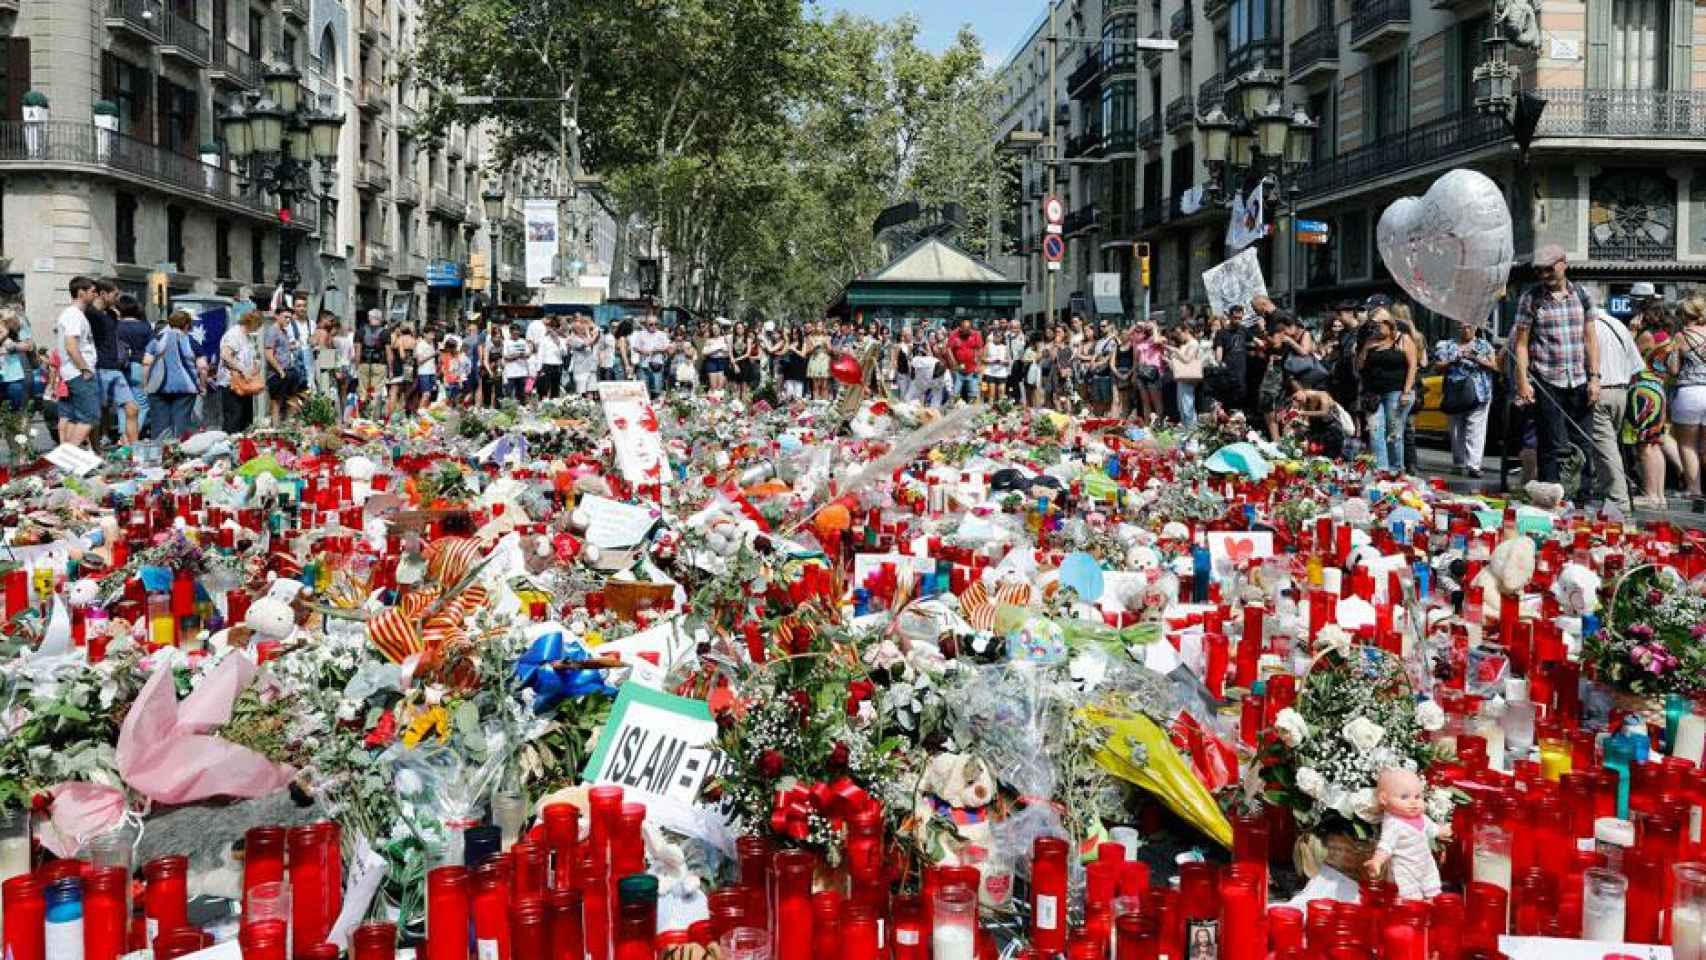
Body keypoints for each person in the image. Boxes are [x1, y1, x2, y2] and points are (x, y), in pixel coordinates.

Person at [1513, 245, 1600, 490]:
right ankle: (1552, 493)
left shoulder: (1582, 295)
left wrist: (1595, 378)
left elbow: (1590, 338)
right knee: (1551, 443)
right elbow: (1521, 344)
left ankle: (1582, 494)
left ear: (1563, 264)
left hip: (1579, 378)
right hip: (1546, 378)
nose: (1544, 275)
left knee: (1582, 442)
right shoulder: (1530, 298)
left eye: (1549, 269)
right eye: (1540, 271)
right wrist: (1523, 382)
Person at [1587, 306, 1643, 512]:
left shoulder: (1588, 326)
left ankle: (1619, 503)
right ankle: (1611, 496)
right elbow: (1637, 367)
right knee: (1611, 447)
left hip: (1599, 391)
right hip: (1621, 392)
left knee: (1605, 450)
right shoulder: (1619, 325)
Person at [1433, 318, 1500, 479]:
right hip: (1455, 392)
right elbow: (1437, 367)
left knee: (1476, 429)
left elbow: (1495, 366)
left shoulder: (1484, 346)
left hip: (1480, 392)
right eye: (1462, 327)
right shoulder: (1447, 345)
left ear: (1476, 328)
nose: (1465, 330)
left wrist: (1476, 358)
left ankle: (1474, 465)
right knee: (1456, 429)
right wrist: (1453, 360)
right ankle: (1459, 462)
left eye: (1468, 327)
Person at [1357, 308, 1418, 473]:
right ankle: (1381, 470)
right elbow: (1360, 366)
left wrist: (1406, 391)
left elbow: (1413, 365)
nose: (1375, 328)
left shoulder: (1403, 339)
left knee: (1394, 433)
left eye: (1378, 325)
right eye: (1373, 325)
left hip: (1396, 391)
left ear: (1389, 324)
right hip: (1373, 394)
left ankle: (1396, 469)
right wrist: (1366, 348)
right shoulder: (1370, 341)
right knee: (1376, 432)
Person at [88, 281, 140, 446]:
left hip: (115, 369)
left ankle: (134, 449)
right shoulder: (90, 313)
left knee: (132, 408)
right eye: (115, 294)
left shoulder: (111, 314)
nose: (118, 298)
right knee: (96, 413)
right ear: (103, 294)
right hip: (99, 368)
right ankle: (96, 450)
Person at [55, 276, 102, 447]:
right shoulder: (73, 315)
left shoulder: (75, 315)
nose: (96, 294)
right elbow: (71, 346)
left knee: (76, 419)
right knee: (90, 417)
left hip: (74, 372)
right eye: (93, 291)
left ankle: (66, 460)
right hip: (78, 373)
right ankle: (68, 457)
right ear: (81, 293)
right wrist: (85, 369)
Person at [141, 310, 202, 441]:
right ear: (187, 325)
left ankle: (159, 453)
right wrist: (202, 386)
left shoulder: (157, 339)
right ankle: (178, 452)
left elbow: (146, 363)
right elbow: (203, 366)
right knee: (181, 422)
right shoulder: (192, 341)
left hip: (157, 387)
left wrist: (145, 384)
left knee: (159, 424)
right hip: (186, 388)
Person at [1670, 296, 1706, 507]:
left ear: (1684, 315)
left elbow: (1674, 370)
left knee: (1688, 445)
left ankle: (1694, 491)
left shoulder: (1681, 336)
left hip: (1689, 393)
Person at [218, 309, 263, 435]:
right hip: (232, 384)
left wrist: (255, 365)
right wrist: (243, 370)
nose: (258, 327)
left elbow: (253, 356)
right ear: (252, 322)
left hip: (245, 385)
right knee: (234, 418)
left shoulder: (248, 337)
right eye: (258, 324)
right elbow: (226, 355)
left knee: (246, 419)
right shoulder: (234, 334)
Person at [116, 294, 153, 434]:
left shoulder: (115, 326)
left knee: (123, 403)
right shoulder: (144, 327)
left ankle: (123, 435)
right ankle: (133, 434)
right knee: (142, 404)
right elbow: (152, 350)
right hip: (139, 366)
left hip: (120, 367)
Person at [1166, 323, 1204, 426]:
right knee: (1182, 406)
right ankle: (1187, 429)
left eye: (1179, 333)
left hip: (1188, 378)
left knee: (1187, 406)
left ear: (1186, 331)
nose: (1178, 336)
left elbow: (1187, 359)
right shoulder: (1186, 344)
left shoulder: (1193, 343)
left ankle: (1192, 430)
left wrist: (1175, 350)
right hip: (1181, 378)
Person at [1130, 320, 1165, 421]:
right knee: (1145, 401)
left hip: (1153, 372)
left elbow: (1157, 341)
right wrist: (1134, 374)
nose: (1148, 327)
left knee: (1156, 400)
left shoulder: (1159, 339)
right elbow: (1136, 359)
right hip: (1141, 372)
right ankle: (1147, 423)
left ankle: (1159, 423)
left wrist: (1155, 327)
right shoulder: (1141, 341)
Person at [631, 313, 670, 398]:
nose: (654, 326)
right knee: (644, 391)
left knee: (657, 390)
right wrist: (642, 351)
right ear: (646, 324)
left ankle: (656, 408)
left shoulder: (662, 334)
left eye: (656, 324)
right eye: (651, 324)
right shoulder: (641, 334)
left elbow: (668, 347)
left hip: (657, 366)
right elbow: (635, 347)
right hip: (644, 366)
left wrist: (657, 350)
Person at [946, 318, 984, 403]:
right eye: (964, 331)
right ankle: (953, 411)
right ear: (960, 328)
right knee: (955, 392)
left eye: (968, 331)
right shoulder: (954, 334)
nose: (967, 333)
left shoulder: (976, 334)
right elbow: (948, 349)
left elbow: (980, 349)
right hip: (958, 369)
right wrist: (953, 363)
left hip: (972, 369)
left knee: (973, 393)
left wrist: (978, 364)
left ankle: (973, 412)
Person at [358, 309, 389, 413]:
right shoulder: (385, 332)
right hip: (379, 364)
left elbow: (358, 351)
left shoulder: (361, 331)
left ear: (368, 318)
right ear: (380, 319)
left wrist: (357, 366)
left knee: (363, 391)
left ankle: (361, 416)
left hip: (364, 363)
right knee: (376, 392)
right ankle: (373, 417)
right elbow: (389, 353)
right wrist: (391, 368)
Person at [0, 309, 28, 411]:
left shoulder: (17, 331)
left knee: (17, 410)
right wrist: (4, 334)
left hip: (13, 377)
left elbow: (28, 346)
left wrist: (10, 348)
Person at [500, 322, 532, 400]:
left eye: (517, 332)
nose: (516, 334)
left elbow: (528, 354)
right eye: (514, 333)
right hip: (510, 373)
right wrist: (516, 355)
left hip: (523, 372)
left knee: (522, 395)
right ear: (510, 332)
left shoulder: (523, 341)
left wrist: (521, 355)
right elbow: (505, 356)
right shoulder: (506, 342)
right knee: (509, 395)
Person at [805, 321, 832, 400]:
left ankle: (824, 404)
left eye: (820, 326)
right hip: (814, 360)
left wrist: (827, 345)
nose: (818, 328)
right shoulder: (810, 337)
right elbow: (807, 351)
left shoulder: (827, 337)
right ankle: (815, 403)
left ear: (823, 327)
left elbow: (830, 351)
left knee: (824, 386)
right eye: (817, 326)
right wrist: (814, 348)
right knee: (815, 385)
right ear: (814, 327)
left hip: (824, 360)